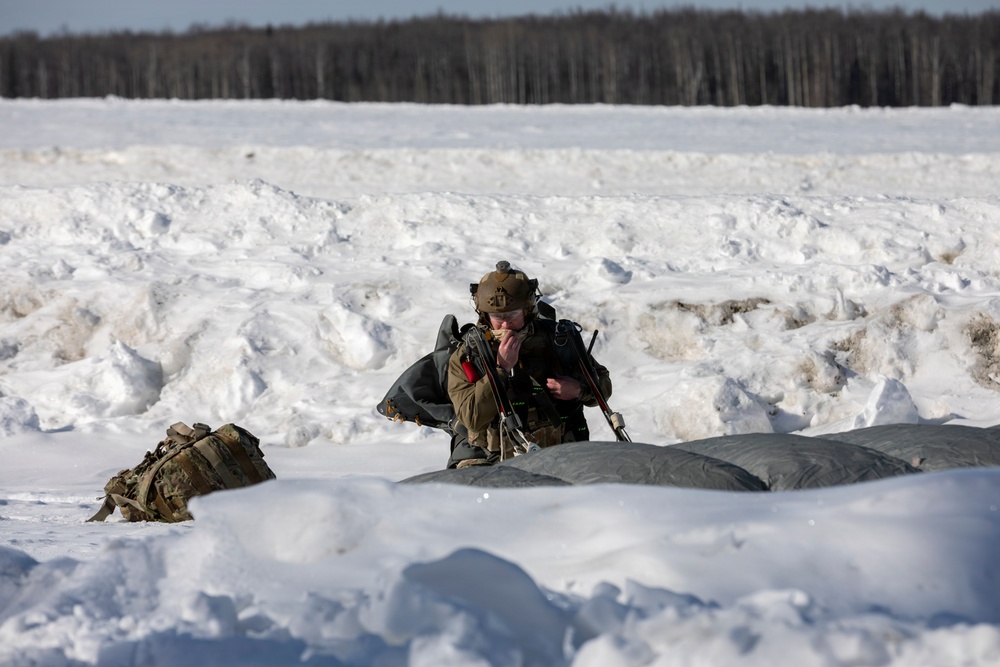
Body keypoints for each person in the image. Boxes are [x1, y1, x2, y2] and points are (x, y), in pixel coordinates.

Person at [446, 260, 613, 468]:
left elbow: (604, 386)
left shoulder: (556, 339)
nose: (506, 324)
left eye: (513, 315)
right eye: (498, 317)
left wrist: (579, 389)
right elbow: (472, 417)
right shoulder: (470, 354)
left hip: (557, 452)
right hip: (492, 459)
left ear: (528, 310)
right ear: (484, 315)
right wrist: (502, 369)